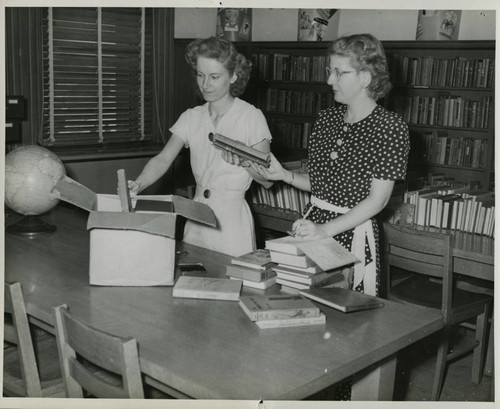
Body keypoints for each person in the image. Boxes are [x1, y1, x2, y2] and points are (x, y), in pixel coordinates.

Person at [253, 33, 410, 297]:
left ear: (365, 77)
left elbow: (377, 201)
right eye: (330, 71)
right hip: (312, 226)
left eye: (339, 73)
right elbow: (321, 184)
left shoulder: (390, 127)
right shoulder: (327, 119)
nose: (329, 80)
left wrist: (324, 231)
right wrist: (286, 176)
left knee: (341, 318)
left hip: (350, 232)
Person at [129, 37, 272, 257]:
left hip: (231, 225)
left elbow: (267, 179)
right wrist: (138, 184)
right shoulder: (191, 117)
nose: (205, 84)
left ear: (233, 76)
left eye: (214, 77)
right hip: (196, 219)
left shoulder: (251, 117)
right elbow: (163, 159)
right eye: (200, 75)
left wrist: (244, 160)